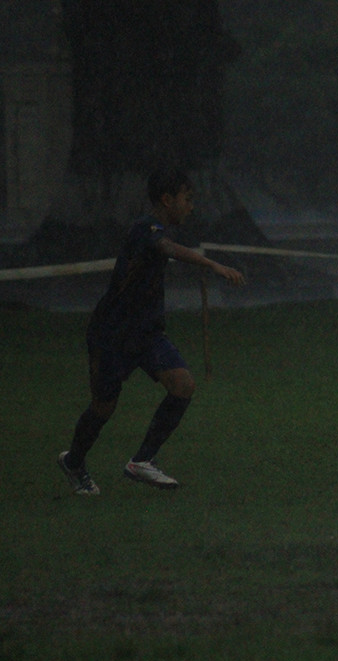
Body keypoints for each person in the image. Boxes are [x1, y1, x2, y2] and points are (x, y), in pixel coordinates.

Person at [57, 167, 245, 494]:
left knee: (183, 385)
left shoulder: (157, 231)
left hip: (145, 333)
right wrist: (211, 264)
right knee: (103, 408)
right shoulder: (144, 229)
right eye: (187, 199)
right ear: (167, 199)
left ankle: (142, 461)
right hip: (112, 334)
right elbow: (167, 248)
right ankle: (74, 462)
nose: (191, 207)